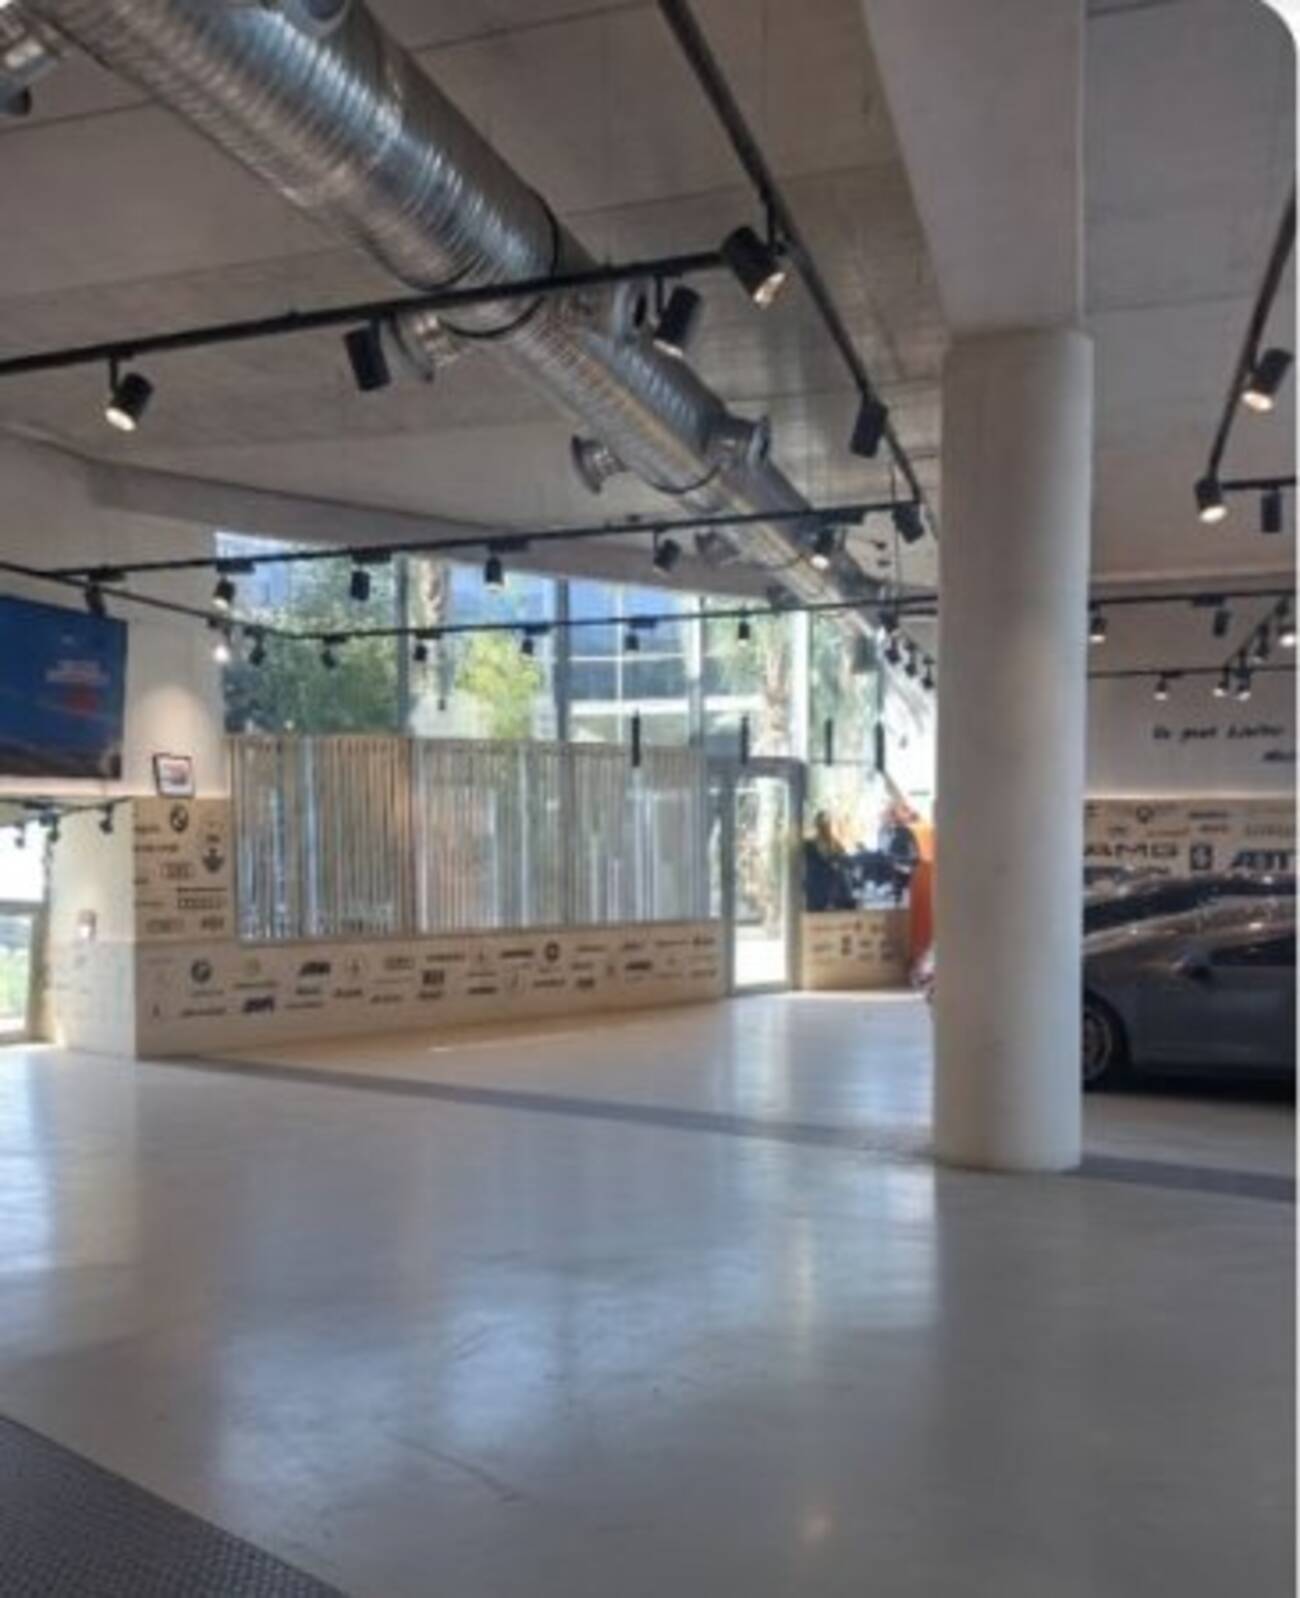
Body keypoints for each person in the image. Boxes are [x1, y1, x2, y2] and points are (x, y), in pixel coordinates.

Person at [804, 810, 854, 912]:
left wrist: (839, 862)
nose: (825, 828)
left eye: (827, 824)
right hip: (817, 890)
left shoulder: (836, 844)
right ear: (817, 826)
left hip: (834, 892)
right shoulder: (810, 845)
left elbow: (846, 861)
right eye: (822, 825)